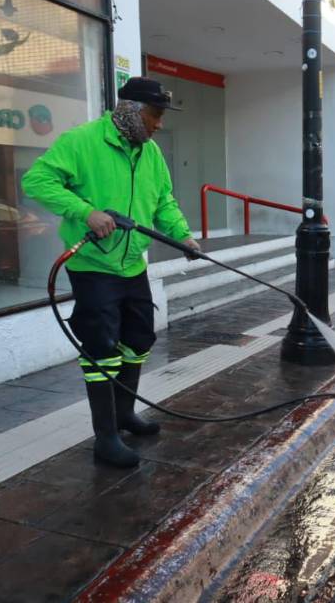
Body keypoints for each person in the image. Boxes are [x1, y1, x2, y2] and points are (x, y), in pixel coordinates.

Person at [22, 77, 201, 468]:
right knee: (101, 347)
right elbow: (36, 180)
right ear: (132, 111)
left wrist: (183, 236)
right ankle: (105, 438)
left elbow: (164, 202)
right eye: (154, 115)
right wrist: (85, 211)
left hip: (132, 265)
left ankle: (124, 414)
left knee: (138, 338)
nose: (158, 124)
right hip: (94, 266)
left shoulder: (150, 153)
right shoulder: (82, 142)